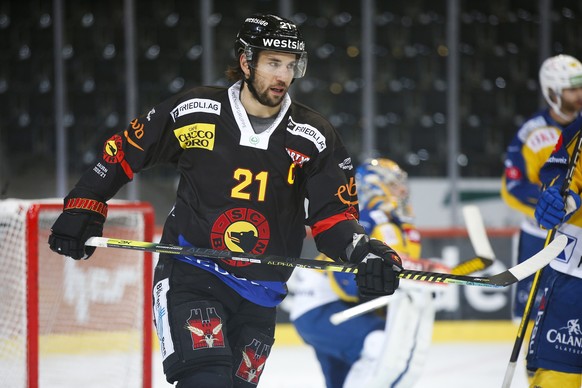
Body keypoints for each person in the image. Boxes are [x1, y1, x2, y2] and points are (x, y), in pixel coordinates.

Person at [46, 14, 404, 388]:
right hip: (192, 274)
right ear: (246, 62)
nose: (283, 76)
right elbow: (124, 152)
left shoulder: (315, 137)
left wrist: (365, 253)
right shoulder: (195, 111)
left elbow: (333, 219)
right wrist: (85, 201)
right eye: (272, 63)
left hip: (261, 296)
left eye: (290, 65)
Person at [287, 158, 441, 388]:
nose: (402, 191)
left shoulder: (376, 219)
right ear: (376, 186)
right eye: (394, 184)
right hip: (325, 309)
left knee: (340, 380)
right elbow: (347, 282)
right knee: (382, 345)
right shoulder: (376, 219)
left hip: (319, 311)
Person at [501, 54, 582, 326]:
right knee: (530, 317)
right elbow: (513, 187)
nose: (580, 94)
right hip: (539, 237)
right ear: (552, 93)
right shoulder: (531, 134)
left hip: (579, 236)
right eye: (573, 89)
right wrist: (551, 204)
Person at [518, 56, 582, 388]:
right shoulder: (569, 132)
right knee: (557, 375)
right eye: (572, 88)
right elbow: (558, 176)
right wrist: (556, 198)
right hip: (568, 268)